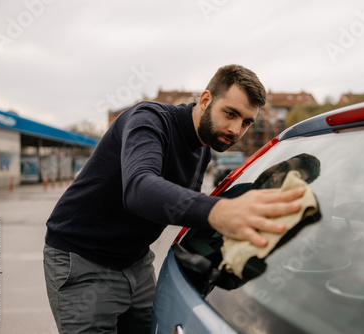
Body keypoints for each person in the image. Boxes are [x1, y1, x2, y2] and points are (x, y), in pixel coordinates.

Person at [43, 64, 306, 334]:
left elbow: (184, 203)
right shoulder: (149, 120)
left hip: (136, 261)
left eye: (247, 122)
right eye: (230, 113)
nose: (236, 130)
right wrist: (220, 212)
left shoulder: (203, 148)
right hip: (82, 259)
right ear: (205, 100)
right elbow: (139, 189)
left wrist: (260, 191)